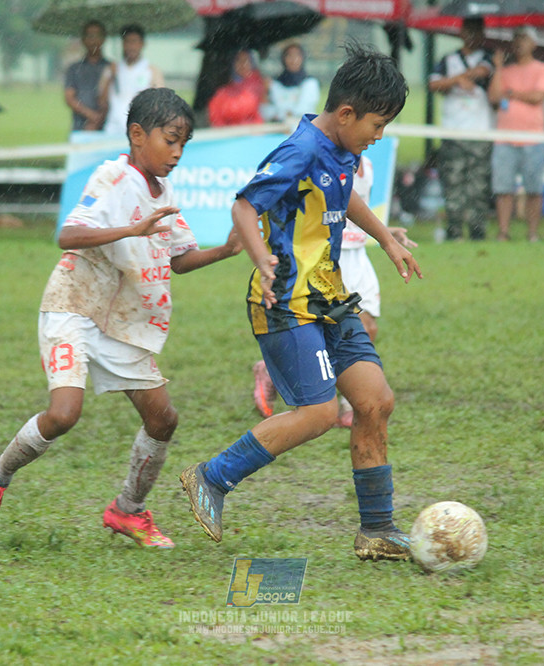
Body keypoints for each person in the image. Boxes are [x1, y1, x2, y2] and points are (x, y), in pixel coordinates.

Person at [0, 88, 242, 547]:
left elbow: (180, 258)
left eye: (184, 144)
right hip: (74, 304)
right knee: (64, 413)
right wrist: (131, 229)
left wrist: (228, 250)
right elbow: (69, 235)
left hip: (124, 323)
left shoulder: (164, 190)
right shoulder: (112, 177)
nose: (177, 152)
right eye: (170, 139)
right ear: (137, 135)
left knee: (163, 420)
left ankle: (127, 511)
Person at [179, 43, 423, 562]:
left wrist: (385, 237)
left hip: (330, 296)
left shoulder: (342, 147)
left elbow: (344, 195)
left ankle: (377, 529)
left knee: (375, 401)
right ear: (346, 113)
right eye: (377, 126)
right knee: (318, 411)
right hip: (285, 302)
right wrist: (263, 257)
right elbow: (245, 206)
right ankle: (211, 477)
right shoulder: (300, 150)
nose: (378, 138)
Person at [252, 154, 417, 427]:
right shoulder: (327, 160)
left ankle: (347, 398)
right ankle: (277, 372)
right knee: (332, 326)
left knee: (368, 327)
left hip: (359, 256)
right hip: (333, 257)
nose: (375, 135)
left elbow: (352, 210)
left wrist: (386, 233)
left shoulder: (370, 167)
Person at [427, 17, 495, 241]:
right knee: (453, 185)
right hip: (453, 132)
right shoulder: (448, 59)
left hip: (480, 133)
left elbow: (484, 72)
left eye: (478, 31)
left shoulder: (489, 58)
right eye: (469, 30)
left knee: (478, 187)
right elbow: (434, 84)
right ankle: (454, 231)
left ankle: (477, 232)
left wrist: (455, 80)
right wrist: (457, 80)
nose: (473, 35)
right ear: (461, 32)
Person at [488, 25, 544, 242]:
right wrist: (497, 67)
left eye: (524, 39)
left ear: (534, 43)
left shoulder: (543, 69)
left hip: (533, 137)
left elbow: (538, 96)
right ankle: (503, 232)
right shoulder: (505, 72)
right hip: (505, 137)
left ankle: (532, 232)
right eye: (516, 39)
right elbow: (495, 98)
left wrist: (513, 93)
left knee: (534, 188)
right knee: (503, 188)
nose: (519, 43)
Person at [99, 24, 165, 136]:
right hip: (114, 128)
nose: (131, 46)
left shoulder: (151, 71)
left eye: (135, 42)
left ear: (142, 44)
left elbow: (161, 102)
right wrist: (111, 77)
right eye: (127, 42)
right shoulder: (111, 69)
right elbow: (102, 102)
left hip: (140, 129)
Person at [64, 20, 110, 131]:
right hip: (80, 126)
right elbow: (69, 98)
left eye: (97, 36)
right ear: (83, 40)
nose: (93, 40)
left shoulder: (110, 68)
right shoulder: (74, 69)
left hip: (108, 128)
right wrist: (91, 115)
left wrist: (99, 118)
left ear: (103, 39)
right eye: (90, 36)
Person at [261, 42, 320, 124]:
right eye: (289, 55)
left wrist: (284, 114)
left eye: (297, 55)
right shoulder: (274, 84)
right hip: (279, 131)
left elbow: (303, 110)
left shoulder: (310, 83)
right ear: (283, 59)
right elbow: (266, 112)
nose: (293, 59)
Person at [207, 49, 267, 127]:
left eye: (247, 60)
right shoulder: (222, 94)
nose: (243, 64)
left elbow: (261, 117)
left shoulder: (262, 87)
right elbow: (216, 119)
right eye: (238, 60)